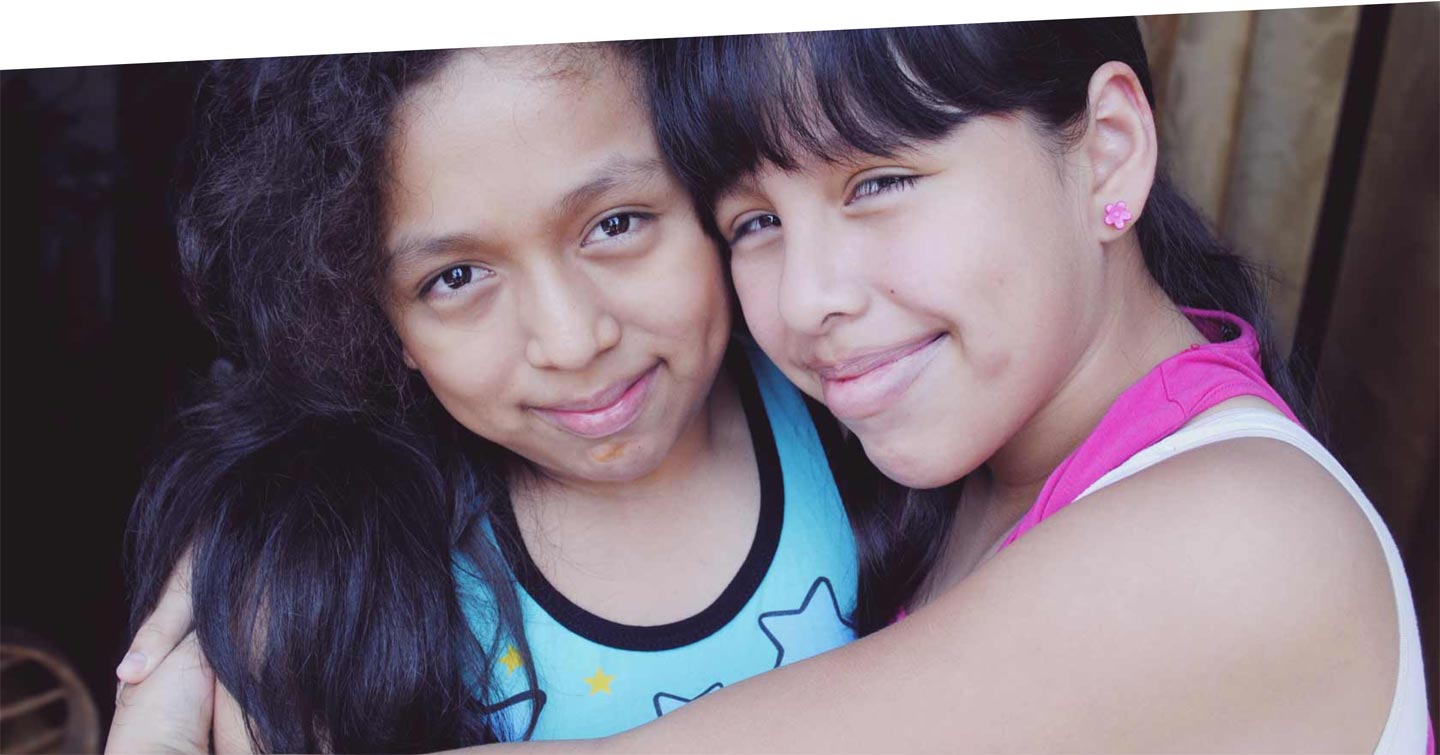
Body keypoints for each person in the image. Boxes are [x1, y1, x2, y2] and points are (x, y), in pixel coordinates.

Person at [113, 20, 1434, 754]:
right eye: (751, 220)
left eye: (879, 181)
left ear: (1107, 155)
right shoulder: (944, 456)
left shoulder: (1242, 543)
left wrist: (164, 722)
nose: (808, 303)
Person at [106, 44, 892, 753]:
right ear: (380, 324)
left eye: (616, 223)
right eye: (454, 278)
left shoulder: (869, 417)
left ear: (714, 194)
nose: (571, 340)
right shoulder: (347, 594)